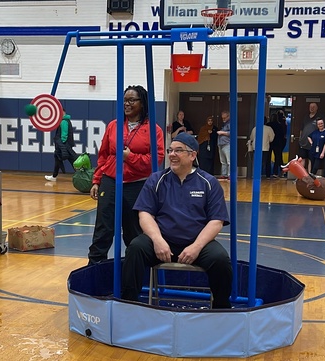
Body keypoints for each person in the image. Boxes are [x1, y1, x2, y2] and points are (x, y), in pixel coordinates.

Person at [121, 132, 233, 309]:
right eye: (170, 150)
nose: (172, 154)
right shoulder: (156, 180)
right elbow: (145, 214)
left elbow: (216, 221)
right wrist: (157, 240)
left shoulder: (209, 182)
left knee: (220, 260)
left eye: (178, 150)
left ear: (192, 155)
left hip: (196, 243)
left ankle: (221, 309)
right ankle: (128, 305)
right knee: (135, 249)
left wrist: (196, 247)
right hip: (163, 242)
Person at [88, 85, 164, 264]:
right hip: (111, 181)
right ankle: (95, 268)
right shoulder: (114, 125)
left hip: (137, 185)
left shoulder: (153, 129)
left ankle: (134, 270)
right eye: (124, 100)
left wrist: (130, 157)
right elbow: (104, 155)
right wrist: (97, 180)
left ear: (142, 103)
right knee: (103, 229)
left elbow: (156, 160)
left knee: (134, 232)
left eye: (132, 100)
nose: (127, 104)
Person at [45, 113, 77, 181]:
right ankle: (54, 176)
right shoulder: (65, 120)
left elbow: (64, 135)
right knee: (57, 159)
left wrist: (62, 146)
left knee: (74, 161)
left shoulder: (64, 121)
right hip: (64, 146)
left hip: (65, 147)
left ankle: (83, 176)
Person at [298, 102, 322, 173]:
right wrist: (300, 138)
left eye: (313, 107)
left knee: (311, 160)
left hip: (312, 143)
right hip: (303, 142)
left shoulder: (319, 118)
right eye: (310, 107)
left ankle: (310, 176)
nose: (312, 108)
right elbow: (302, 129)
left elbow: (321, 130)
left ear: (317, 108)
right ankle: (301, 176)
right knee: (302, 159)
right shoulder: (306, 117)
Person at [268, 111, 287, 178]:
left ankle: (268, 174)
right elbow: (282, 135)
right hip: (278, 143)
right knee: (277, 158)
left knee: (268, 158)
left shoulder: (268, 125)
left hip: (269, 143)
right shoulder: (280, 125)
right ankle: (276, 172)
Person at [217, 110, 232, 180]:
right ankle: (224, 174)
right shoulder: (224, 124)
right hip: (221, 144)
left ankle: (230, 174)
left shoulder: (230, 123)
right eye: (222, 118)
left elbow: (232, 133)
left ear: (228, 116)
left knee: (229, 161)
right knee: (223, 161)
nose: (223, 119)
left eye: (225, 118)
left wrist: (222, 133)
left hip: (227, 144)